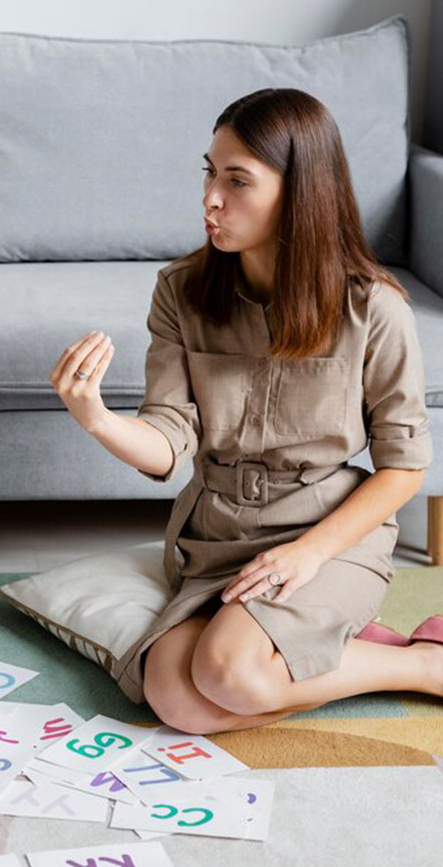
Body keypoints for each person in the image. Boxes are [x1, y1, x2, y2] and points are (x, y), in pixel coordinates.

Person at [51, 88, 442, 733]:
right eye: (210, 172)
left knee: (229, 673)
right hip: (218, 536)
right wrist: (97, 417)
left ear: (301, 193)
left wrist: (307, 555)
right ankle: (340, 647)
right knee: (175, 698)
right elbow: (170, 439)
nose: (210, 197)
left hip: (326, 534)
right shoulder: (182, 291)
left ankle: (423, 666)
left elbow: (404, 469)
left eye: (238, 180)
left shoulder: (374, 310)